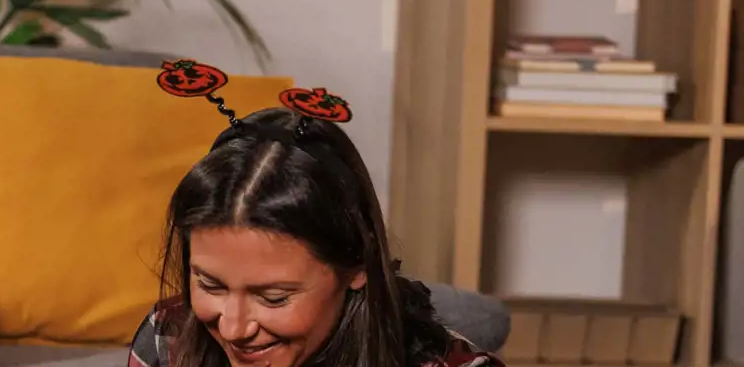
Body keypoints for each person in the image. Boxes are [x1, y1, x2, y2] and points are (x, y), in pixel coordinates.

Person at [130, 60, 502, 367]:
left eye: (273, 297)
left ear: (357, 263)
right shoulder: (168, 340)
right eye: (210, 286)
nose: (233, 328)